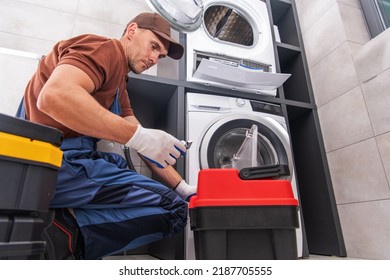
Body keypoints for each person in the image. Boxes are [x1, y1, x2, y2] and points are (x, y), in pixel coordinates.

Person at [16, 12, 196, 260]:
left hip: (53, 170)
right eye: (153, 46)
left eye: (161, 55)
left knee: (176, 200)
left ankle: (67, 232)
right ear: (132, 31)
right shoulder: (105, 49)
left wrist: (184, 187)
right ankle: (63, 235)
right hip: (55, 166)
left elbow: (143, 142)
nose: (155, 58)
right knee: (174, 210)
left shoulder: (119, 84)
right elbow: (54, 96)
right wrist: (139, 138)